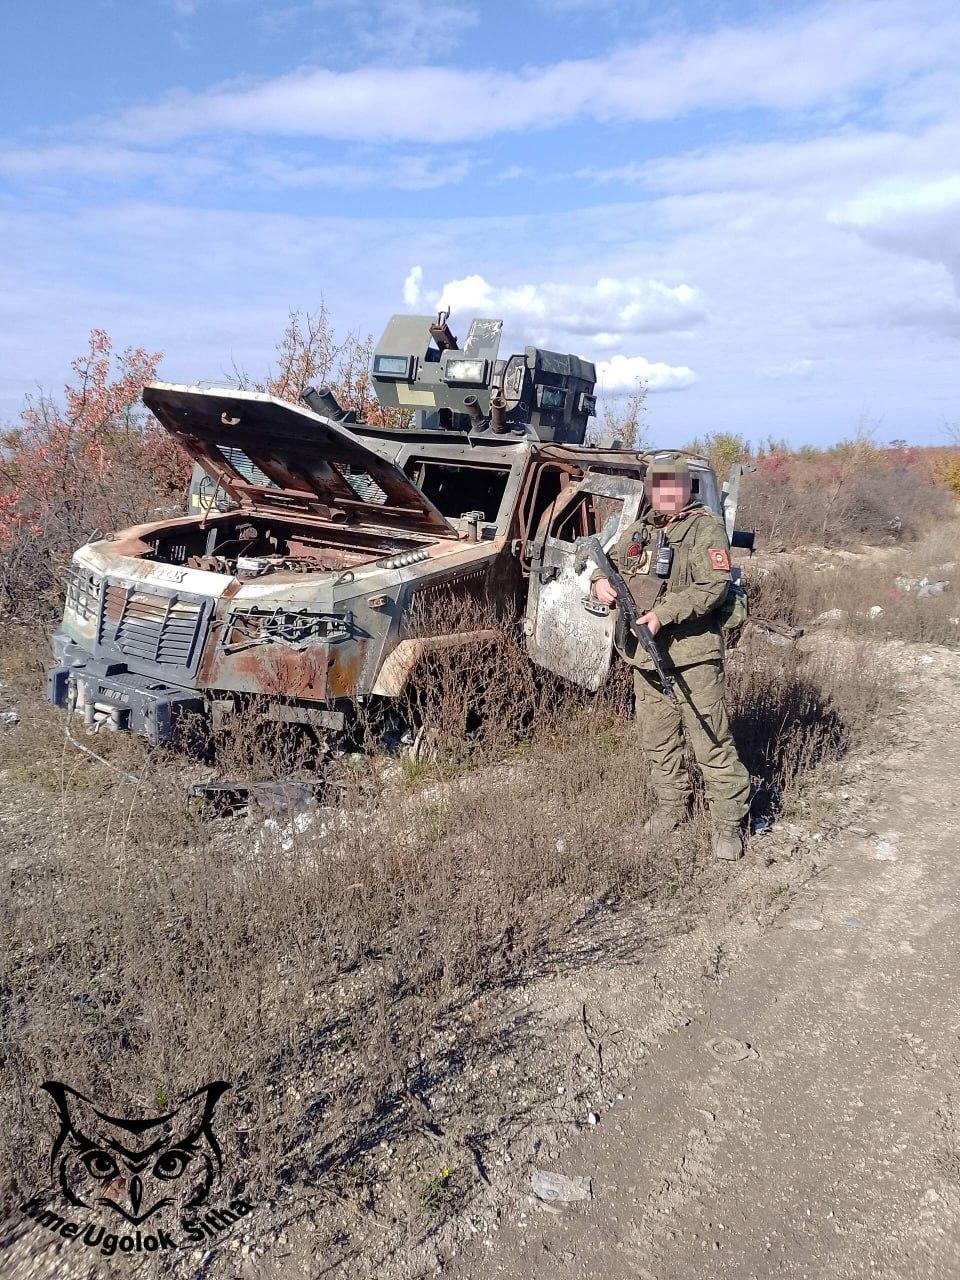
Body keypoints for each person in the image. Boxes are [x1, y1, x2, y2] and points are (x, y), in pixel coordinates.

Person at [592, 453, 750, 860]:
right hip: (646, 657)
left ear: (685, 488)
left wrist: (663, 614)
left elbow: (713, 587)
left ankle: (728, 825)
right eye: (657, 484)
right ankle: (671, 808)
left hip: (692, 654)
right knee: (658, 740)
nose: (664, 493)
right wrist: (598, 584)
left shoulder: (705, 528)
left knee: (709, 739)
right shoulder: (641, 529)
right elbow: (608, 564)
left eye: (672, 485)